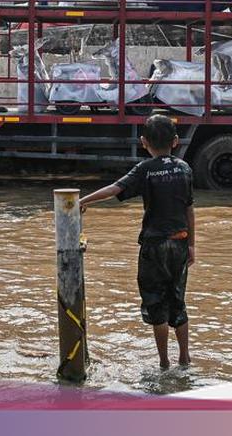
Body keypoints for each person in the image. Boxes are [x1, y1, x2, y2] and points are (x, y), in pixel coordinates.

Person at [79, 115, 195, 370]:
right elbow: (189, 209)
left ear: (144, 142)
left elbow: (114, 189)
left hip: (154, 247)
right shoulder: (185, 168)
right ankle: (185, 358)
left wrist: (82, 201)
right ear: (175, 141)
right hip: (180, 243)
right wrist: (192, 245)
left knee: (156, 304)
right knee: (178, 301)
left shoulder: (145, 169)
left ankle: (163, 362)